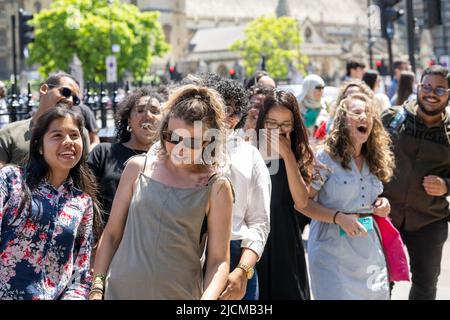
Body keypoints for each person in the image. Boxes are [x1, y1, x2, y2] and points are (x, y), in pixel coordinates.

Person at [90, 85, 234, 300]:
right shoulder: (137, 167)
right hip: (118, 293)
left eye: (191, 141)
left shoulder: (216, 187)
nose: (179, 147)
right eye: (171, 137)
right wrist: (97, 287)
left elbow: (219, 261)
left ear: (208, 141)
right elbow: (111, 234)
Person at [0, 105, 101, 300]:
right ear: (39, 146)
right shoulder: (10, 180)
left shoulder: (82, 202)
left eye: (74, 135)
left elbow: (81, 272)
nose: (68, 142)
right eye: (57, 135)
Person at [301, 93, 395, 300]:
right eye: (357, 112)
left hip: (367, 248)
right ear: (343, 120)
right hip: (330, 250)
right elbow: (302, 203)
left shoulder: (375, 158)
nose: (364, 117)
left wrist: (382, 204)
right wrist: (337, 217)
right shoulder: (325, 157)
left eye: (368, 113)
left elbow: (372, 199)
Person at [381, 65, 450, 300]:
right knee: (379, 279)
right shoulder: (392, 118)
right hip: (385, 217)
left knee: (426, 283)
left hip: (429, 222)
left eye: (440, 89)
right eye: (427, 86)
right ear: (419, 88)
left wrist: (446, 185)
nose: (431, 93)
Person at [201, 74, 271, 300]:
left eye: (233, 110)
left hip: (236, 255)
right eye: (219, 107)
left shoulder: (250, 155)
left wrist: (243, 271)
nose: (226, 117)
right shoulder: (179, 150)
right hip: (185, 253)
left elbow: (260, 221)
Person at [255, 90, 314, 300]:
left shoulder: (297, 150)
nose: (278, 130)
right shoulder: (249, 149)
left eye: (285, 124)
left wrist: (287, 154)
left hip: (285, 236)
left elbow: (301, 200)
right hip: (253, 236)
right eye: (272, 123)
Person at [87, 87, 162, 224]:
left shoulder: (169, 160)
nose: (148, 116)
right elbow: (84, 198)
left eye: (155, 111)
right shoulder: (103, 153)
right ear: (128, 120)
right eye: (140, 110)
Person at [0, 72, 89, 167]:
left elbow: (83, 173)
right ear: (44, 89)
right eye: (66, 92)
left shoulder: (80, 134)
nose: (70, 100)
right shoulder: (9, 134)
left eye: (75, 99)